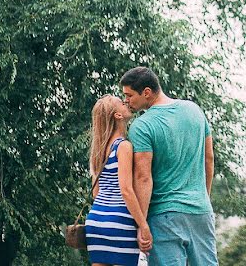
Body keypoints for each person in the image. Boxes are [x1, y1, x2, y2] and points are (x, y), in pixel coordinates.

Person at [120, 67, 218, 266]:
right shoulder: (194, 110)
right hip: (200, 212)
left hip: (164, 215)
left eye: (129, 95)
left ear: (146, 92)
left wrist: (142, 223)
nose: (126, 101)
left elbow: (143, 178)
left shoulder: (143, 126)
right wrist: (202, 198)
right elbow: (209, 158)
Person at [85, 95, 152, 266]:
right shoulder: (123, 146)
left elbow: (96, 192)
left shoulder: (99, 150)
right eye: (122, 103)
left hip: (96, 221)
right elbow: (126, 190)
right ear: (118, 115)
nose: (126, 102)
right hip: (119, 221)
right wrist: (143, 225)